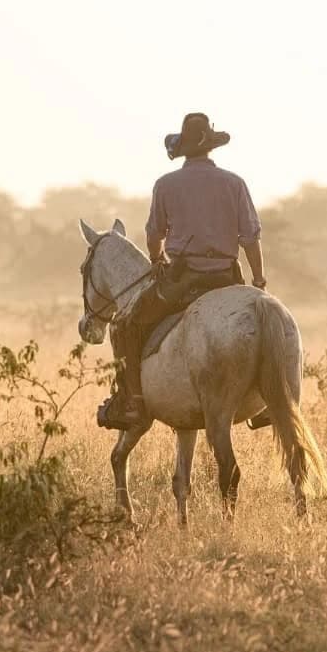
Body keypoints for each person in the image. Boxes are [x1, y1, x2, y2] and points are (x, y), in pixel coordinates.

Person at [109, 112, 266, 427]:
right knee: (269, 322)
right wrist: (259, 279)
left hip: (183, 278)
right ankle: (270, 401)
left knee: (127, 325)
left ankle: (134, 403)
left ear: (183, 148)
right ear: (210, 147)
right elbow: (250, 237)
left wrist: (156, 259)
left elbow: (155, 235)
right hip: (227, 276)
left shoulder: (166, 184)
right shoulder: (234, 183)